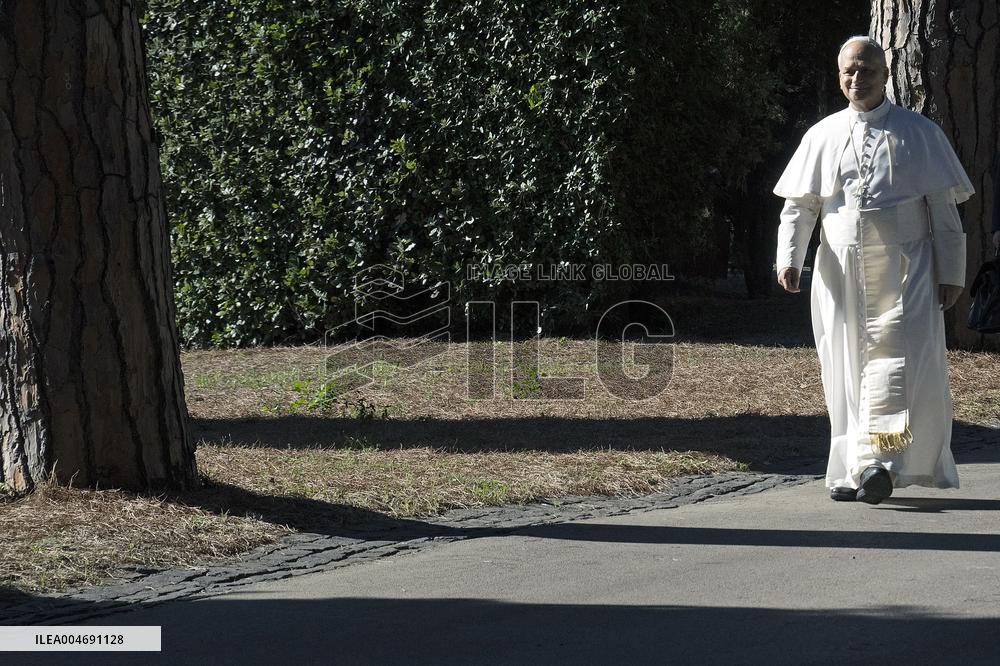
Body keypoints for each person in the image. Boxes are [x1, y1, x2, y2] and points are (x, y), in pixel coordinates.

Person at [773, 36, 974, 504]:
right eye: (848, 71)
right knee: (842, 367)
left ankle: (883, 465)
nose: (856, 79)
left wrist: (952, 274)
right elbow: (800, 206)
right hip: (839, 271)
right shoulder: (821, 135)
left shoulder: (919, 133)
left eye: (866, 70)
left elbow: (944, 211)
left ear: (885, 75)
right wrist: (789, 257)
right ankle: (850, 469)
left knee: (898, 368)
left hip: (906, 270)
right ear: (839, 76)